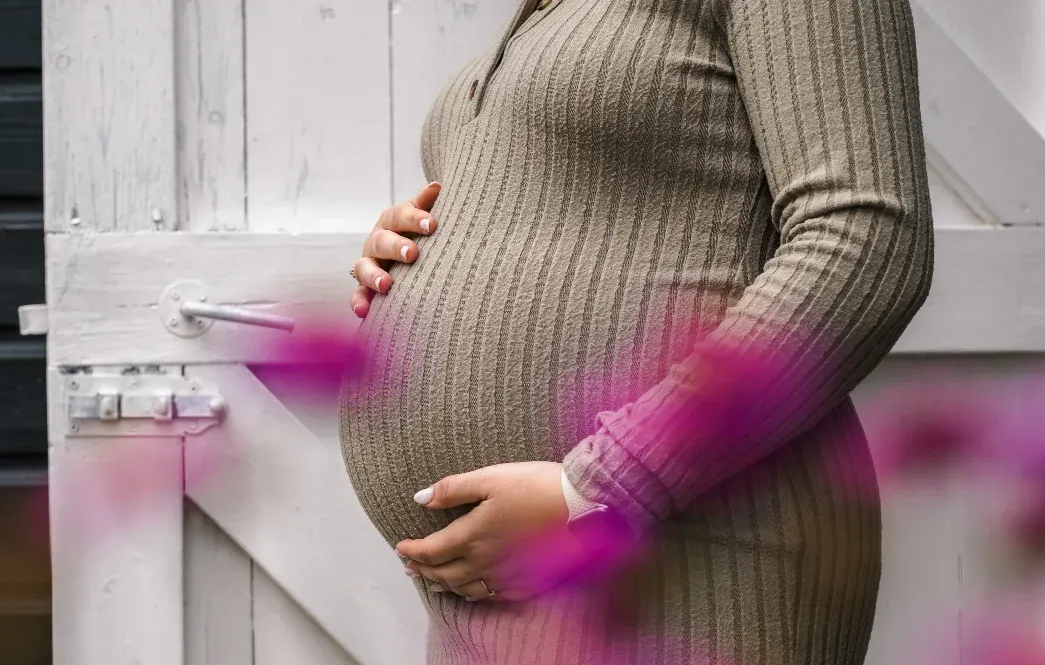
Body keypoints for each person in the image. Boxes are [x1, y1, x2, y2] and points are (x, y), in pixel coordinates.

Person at [338, 0, 934, 662]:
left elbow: (869, 238)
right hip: (485, 596)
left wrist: (596, 492)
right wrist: (423, 241)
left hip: (692, 551)